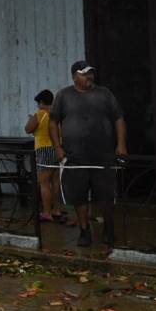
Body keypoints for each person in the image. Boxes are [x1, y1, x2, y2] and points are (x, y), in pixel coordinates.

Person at [49, 60, 127, 248]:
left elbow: (119, 118)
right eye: (84, 73)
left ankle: (109, 228)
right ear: (74, 77)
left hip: (103, 155)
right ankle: (84, 231)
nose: (89, 76)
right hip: (75, 156)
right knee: (79, 196)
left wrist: (121, 144)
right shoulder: (64, 95)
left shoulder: (104, 94)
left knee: (106, 195)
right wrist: (58, 147)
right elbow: (52, 122)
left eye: (90, 73)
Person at [24, 89, 65, 224]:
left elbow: (28, 129)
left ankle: (46, 212)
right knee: (55, 181)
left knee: (44, 183)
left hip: (44, 149)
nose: (38, 106)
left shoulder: (40, 114)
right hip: (57, 149)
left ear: (41, 102)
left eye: (38, 103)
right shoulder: (56, 115)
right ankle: (56, 210)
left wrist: (31, 119)